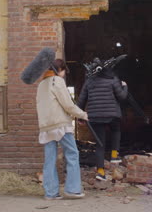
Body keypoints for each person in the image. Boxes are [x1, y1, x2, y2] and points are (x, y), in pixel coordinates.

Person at [36, 59, 88, 200]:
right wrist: (83, 114)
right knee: (72, 154)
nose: (64, 75)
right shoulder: (57, 81)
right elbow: (68, 104)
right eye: (64, 71)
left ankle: (51, 193)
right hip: (60, 125)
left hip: (46, 127)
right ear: (60, 70)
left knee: (49, 159)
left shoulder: (41, 84)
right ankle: (72, 189)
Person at [77, 65, 128, 181]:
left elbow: (81, 100)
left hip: (95, 117)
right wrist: (125, 87)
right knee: (116, 130)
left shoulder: (89, 82)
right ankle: (114, 155)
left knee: (100, 145)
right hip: (111, 115)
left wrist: (79, 116)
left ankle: (100, 172)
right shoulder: (113, 79)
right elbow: (122, 96)